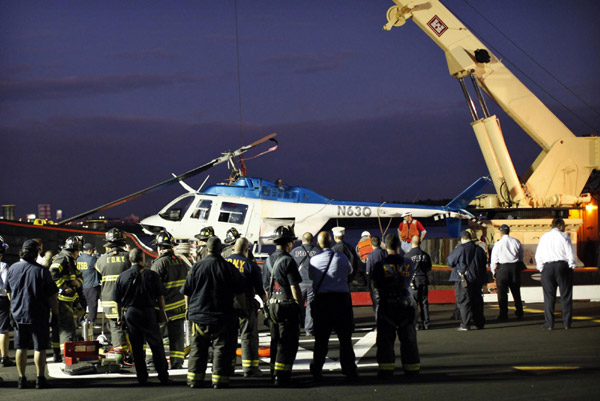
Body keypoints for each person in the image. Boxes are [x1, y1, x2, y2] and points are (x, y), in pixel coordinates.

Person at [183, 236, 246, 389]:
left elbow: (187, 291)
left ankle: (194, 380)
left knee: (197, 348)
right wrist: (243, 309)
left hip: (198, 316)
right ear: (220, 250)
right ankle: (219, 380)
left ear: (207, 249)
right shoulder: (229, 268)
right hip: (222, 317)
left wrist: (187, 309)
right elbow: (240, 293)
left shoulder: (196, 267)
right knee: (221, 349)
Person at [6, 239, 59, 389]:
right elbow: (52, 296)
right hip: (38, 314)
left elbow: (9, 292)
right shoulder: (42, 271)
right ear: (37, 252)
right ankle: (40, 379)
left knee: (20, 348)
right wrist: (55, 314)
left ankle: (21, 379)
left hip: (18, 314)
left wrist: (13, 308)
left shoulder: (12, 269)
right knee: (39, 348)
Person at [114, 248, 170, 385]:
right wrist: (162, 313)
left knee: (137, 347)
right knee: (156, 345)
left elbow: (117, 300)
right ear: (142, 259)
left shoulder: (122, 276)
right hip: (148, 313)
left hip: (131, 314)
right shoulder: (151, 275)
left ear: (130, 260)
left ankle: (142, 377)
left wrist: (119, 316)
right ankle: (163, 376)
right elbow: (160, 296)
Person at [308, 231, 358, 382]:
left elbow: (311, 277)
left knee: (321, 339)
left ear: (318, 243)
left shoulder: (313, 260)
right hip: (341, 300)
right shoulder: (341, 258)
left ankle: (317, 369)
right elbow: (349, 271)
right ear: (331, 242)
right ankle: (349, 370)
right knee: (345, 338)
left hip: (322, 301)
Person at [371, 234, 419, 379]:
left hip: (387, 306)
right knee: (409, 339)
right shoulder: (409, 263)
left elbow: (375, 285)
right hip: (405, 305)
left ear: (386, 246)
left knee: (385, 340)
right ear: (399, 245)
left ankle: (386, 369)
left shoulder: (379, 265)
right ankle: (412, 369)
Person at [262, 225, 302, 386]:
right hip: (286, 307)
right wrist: (300, 307)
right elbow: (294, 287)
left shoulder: (266, 261)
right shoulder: (288, 261)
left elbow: (266, 288)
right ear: (288, 244)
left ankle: (273, 372)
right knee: (287, 342)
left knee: (275, 340)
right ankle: (282, 375)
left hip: (272, 306)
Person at [225, 237, 266, 377]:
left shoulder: (224, 263)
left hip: (226, 305)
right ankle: (249, 368)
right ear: (246, 250)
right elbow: (259, 288)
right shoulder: (250, 264)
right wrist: (265, 302)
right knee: (248, 336)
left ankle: (228, 367)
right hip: (246, 304)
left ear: (233, 248)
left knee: (228, 336)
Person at [151, 231, 188, 369]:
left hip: (163, 307)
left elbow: (152, 286)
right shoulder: (180, 261)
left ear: (160, 247)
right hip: (179, 306)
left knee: (156, 334)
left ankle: (153, 361)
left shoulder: (159, 264)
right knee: (177, 336)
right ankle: (177, 362)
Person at [535, 218, 577, 330]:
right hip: (562, 266)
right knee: (566, 295)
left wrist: (541, 267)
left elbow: (538, 254)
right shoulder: (564, 236)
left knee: (549, 296)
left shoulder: (544, 237)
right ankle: (567, 323)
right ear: (559, 225)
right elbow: (570, 252)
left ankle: (549, 324)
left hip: (547, 267)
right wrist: (572, 265)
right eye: (564, 225)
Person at [49, 236, 83, 362]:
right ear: (75, 250)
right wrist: (63, 287)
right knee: (67, 328)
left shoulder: (69, 258)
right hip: (62, 299)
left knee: (58, 327)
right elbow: (53, 272)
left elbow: (77, 275)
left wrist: (77, 282)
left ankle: (57, 354)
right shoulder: (63, 258)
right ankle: (66, 356)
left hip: (66, 299)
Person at [96, 228, 131, 348]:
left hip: (109, 301)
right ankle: (134, 354)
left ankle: (120, 353)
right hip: (128, 300)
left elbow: (98, 276)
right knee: (132, 327)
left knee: (116, 327)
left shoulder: (101, 260)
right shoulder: (129, 257)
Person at [447, 230, 488, 331]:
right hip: (477, 279)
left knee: (464, 301)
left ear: (462, 239)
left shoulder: (460, 248)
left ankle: (465, 324)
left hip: (463, 279)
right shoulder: (479, 250)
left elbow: (450, 261)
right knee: (477, 301)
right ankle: (479, 323)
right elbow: (484, 264)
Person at [490, 224, 524, 321]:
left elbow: (494, 260)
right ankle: (519, 312)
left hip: (503, 269)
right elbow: (521, 256)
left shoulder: (498, 244)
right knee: (516, 292)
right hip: (514, 268)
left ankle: (503, 314)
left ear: (501, 232)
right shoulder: (516, 241)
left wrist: (493, 271)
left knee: (502, 293)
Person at [291, 232, 321, 336]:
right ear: (312, 240)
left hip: (299, 284)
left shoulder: (294, 252)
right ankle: (309, 330)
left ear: (302, 240)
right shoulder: (318, 251)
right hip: (313, 284)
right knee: (310, 307)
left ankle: (295, 329)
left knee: (296, 307)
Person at [406, 235, 432, 330]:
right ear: (420, 243)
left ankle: (415, 323)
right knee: (424, 302)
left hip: (413, 281)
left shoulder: (407, 256)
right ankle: (426, 323)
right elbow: (429, 268)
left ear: (411, 243)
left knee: (413, 303)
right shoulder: (425, 255)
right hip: (423, 279)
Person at [77, 243, 102, 328]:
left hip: (81, 285)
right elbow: (100, 261)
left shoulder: (78, 259)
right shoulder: (92, 259)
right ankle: (92, 321)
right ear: (90, 250)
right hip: (91, 285)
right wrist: (97, 254)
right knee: (92, 304)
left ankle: (80, 321)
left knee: (82, 304)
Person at [0, 238, 15, 367]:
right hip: (1, 299)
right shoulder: (3, 266)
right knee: (3, 329)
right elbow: (7, 285)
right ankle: (4, 357)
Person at [366, 236, 387, 312]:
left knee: (376, 299)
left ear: (371, 244)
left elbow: (368, 271)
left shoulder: (370, 256)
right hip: (385, 279)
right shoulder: (385, 252)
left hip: (374, 280)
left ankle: (377, 316)